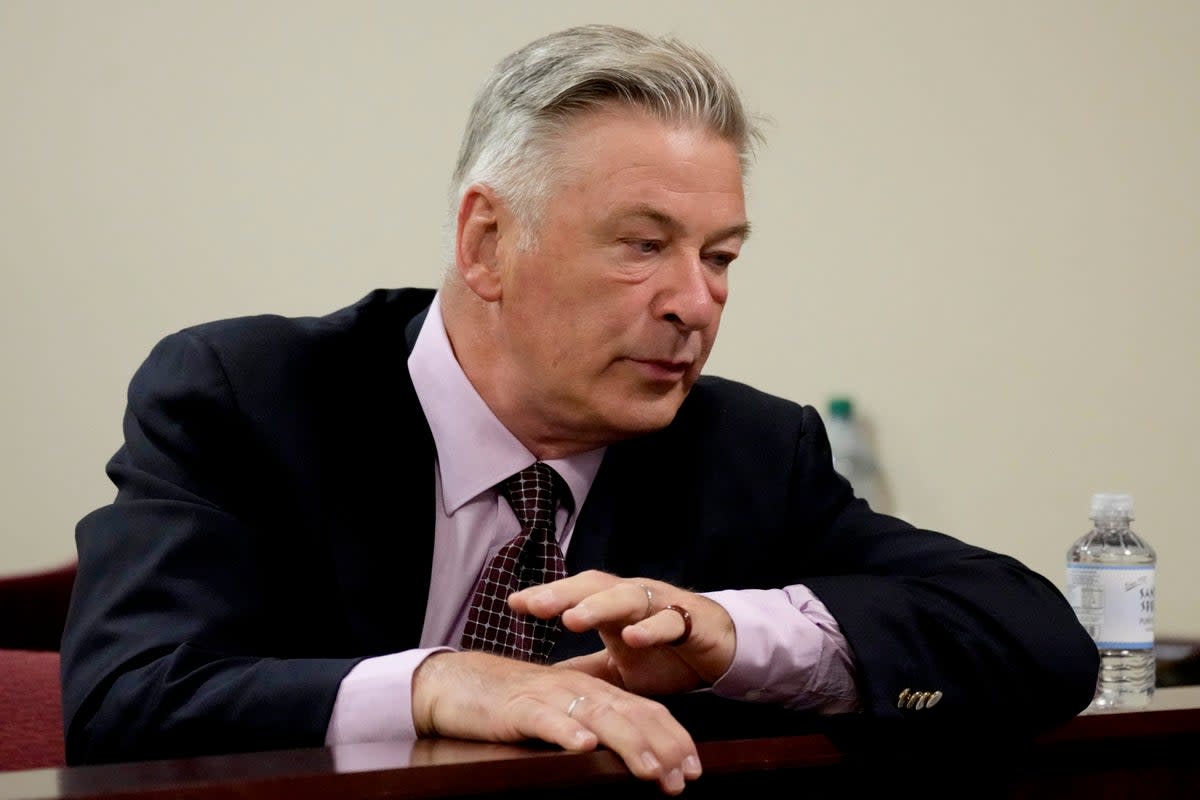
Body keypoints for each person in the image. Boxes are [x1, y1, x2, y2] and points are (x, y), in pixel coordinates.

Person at [61, 24, 1099, 796]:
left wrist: (732, 633)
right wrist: (438, 684)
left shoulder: (744, 448)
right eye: (644, 245)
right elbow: (127, 698)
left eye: (721, 256)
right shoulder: (253, 395)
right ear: (485, 243)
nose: (697, 301)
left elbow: (1039, 642)